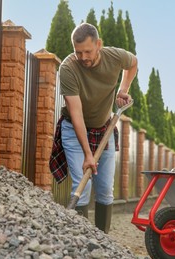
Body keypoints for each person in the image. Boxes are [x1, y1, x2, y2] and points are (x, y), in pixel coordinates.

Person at [49, 23, 138, 234]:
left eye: (87, 51)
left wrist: (122, 90)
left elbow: (133, 63)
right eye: (78, 52)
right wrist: (89, 154)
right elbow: (77, 113)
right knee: (83, 184)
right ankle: (79, 239)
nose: (83, 57)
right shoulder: (69, 68)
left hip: (103, 129)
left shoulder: (114, 57)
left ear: (98, 44)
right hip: (74, 129)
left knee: (106, 190)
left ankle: (101, 242)